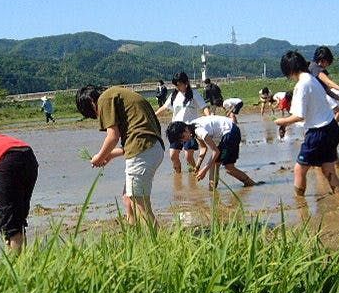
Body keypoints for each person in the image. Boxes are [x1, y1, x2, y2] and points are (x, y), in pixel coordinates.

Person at [76, 84, 164, 226]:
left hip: (143, 149)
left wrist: (99, 157)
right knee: (128, 198)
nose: (98, 116)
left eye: (94, 114)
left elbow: (113, 137)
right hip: (153, 148)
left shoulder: (104, 99)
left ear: (91, 103)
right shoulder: (118, 95)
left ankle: (158, 240)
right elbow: (130, 145)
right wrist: (108, 156)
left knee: (138, 200)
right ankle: (134, 234)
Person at [274, 51, 339, 197]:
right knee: (328, 170)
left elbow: (299, 116)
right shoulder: (312, 79)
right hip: (331, 128)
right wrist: (286, 124)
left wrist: (281, 121)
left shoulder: (302, 84)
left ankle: (300, 204)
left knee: (299, 170)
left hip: (318, 133)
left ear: (289, 70)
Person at [166, 115, 257, 190]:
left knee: (229, 168)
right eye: (181, 140)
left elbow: (215, 151)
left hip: (231, 132)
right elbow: (203, 148)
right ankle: (212, 190)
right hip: (225, 134)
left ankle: (250, 183)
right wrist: (198, 166)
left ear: (185, 129)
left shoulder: (199, 130)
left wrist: (204, 170)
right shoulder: (191, 128)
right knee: (214, 163)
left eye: (182, 137)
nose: (183, 140)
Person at [155, 72, 211, 173]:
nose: (177, 87)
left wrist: (210, 118)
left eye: (179, 84)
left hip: (189, 129)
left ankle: (196, 173)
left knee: (188, 156)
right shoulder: (173, 95)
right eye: (176, 85)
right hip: (176, 129)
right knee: (173, 155)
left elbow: (204, 107)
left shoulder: (194, 94)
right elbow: (164, 107)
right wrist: (154, 115)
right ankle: (178, 176)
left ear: (186, 83)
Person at [309, 46, 339, 145]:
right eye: (327, 62)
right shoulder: (315, 68)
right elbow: (329, 84)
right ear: (322, 60)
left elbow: (328, 90)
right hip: (316, 102)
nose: (327, 66)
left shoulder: (317, 68)